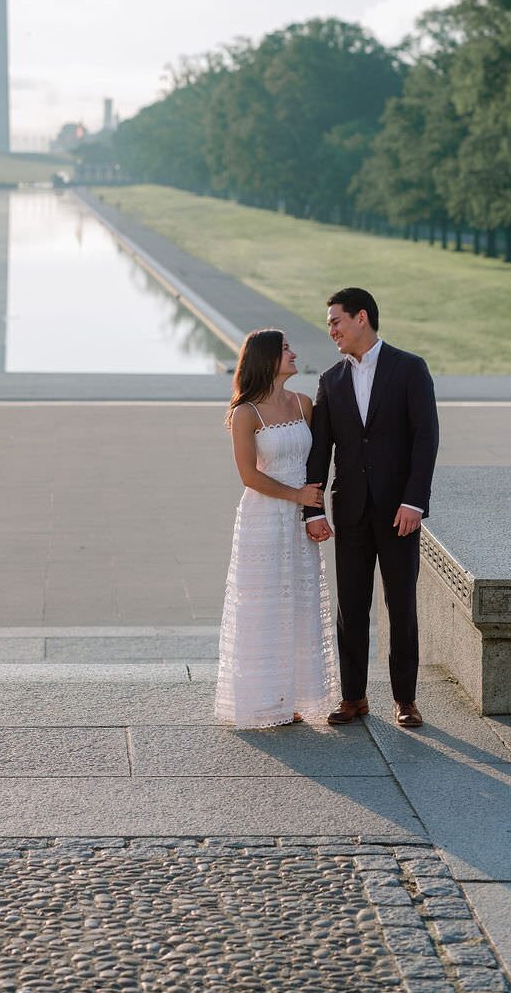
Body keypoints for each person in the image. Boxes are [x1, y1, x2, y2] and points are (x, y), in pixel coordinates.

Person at [303, 288, 439, 730]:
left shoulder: (410, 368)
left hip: (400, 512)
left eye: (335, 321)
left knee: (401, 606)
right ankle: (354, 697)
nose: (331, 331)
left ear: (362, 317)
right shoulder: (330, 380)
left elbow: (425, 439)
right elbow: (320, 450)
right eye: (329, 324)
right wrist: (314, 509)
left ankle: (406, 700)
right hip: (351, 512)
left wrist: (414, 500)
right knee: (351, 607)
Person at [215, 328, 339, 728]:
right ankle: (264, 701)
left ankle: (295, 697)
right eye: (286, 349)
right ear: (266, 359)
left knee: (298, 604)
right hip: (264, 519)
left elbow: (320, 456)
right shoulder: (245, 413)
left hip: (299, 518)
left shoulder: (304, 404)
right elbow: (249, 476)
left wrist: (313, 509)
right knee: (263, 605)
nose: (293, 353)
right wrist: (298, 496)